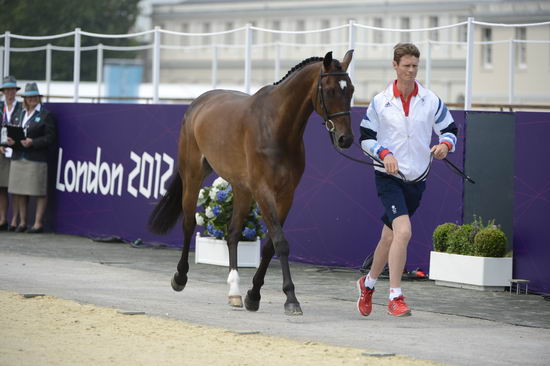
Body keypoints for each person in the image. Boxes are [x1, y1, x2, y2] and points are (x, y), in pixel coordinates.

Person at [356, 43, 458, 317]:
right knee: (403, 232)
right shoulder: (380, 101)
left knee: (389, 237)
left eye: (415, 66)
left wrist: (445, 145)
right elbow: (365, 138)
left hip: (418, 177)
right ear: (395, 65)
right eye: (406, 66)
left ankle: (368, 284)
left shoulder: (430, 99)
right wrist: (384, 153)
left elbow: (449, 128)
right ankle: (395, 296)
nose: (411, 71)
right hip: (388, 176)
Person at [6, 82, 57, 233]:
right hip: (18, 155)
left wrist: (33, 142)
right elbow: (14, 132)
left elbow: (50, 137)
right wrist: (11, 141)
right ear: (25, 99)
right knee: (20, 190)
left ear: (38, 98)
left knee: (38, 190)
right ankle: (23, 222)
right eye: (29, 97)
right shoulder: (20, 114)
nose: (32, 99)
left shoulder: (45, 115)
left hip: (36, 157)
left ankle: (38, 223)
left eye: (34, 97)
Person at [0, 76, 23, 231]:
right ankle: (2, 219)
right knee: (1, 187)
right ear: (3, 92)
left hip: (15, 151)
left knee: (14, 187)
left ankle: (15, 219)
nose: (10, 93)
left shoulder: (21, 108)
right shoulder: (0, 107)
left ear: (16, 91)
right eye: (7, 90)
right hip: (1, 151)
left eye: (12, 90)